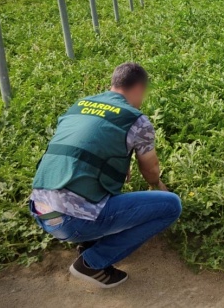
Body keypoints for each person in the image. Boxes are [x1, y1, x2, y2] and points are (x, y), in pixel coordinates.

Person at [30, 62, 182, 288]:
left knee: (94, 190)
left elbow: (81, 149)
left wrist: (119, 162)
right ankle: (93, 263)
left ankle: (88, 244)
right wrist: (157, 184)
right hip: (72, 221)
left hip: (42, 212)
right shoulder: (136, 120)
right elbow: (150, 168)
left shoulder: (80, 105)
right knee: (171, 205)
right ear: (139, 88)